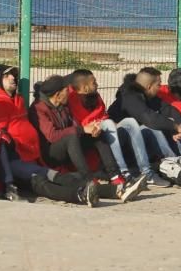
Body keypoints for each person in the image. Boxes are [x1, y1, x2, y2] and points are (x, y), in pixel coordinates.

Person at [29, 74, 141, 202]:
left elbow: (74, 126)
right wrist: (82, 129)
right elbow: (52, 136)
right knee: (71, 137)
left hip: (69, 146)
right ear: (57, 94)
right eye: (67, 90)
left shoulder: (63, 105)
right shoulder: (38, 109)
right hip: (51, 154)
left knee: (98, 134)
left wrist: (91, 129)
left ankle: (115, 176)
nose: (69, 93)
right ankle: (89, 179)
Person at [67, 69, 150, 191]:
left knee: (130, 122)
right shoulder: (72, 100)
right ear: (84, 88)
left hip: (104, 132)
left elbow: (103, 115)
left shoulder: (95, 97)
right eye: (94, 83)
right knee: (108, 124)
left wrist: (112, 123)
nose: (97, 85)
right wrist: (98, 123)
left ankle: (146, 171)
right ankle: (122, 172)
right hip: (87, 137)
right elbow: (80, 124)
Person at [108, 67, 181, 165]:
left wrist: (180, 126)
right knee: (152, 128)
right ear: (149, 86)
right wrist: (175, 126)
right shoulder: (130, 97)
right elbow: (149, 119)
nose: (160, 87)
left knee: (168, 125)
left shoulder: (147, 96)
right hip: (120, 142)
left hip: (136, 139)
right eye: (158, 85)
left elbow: (170, 110)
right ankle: (173, 163)